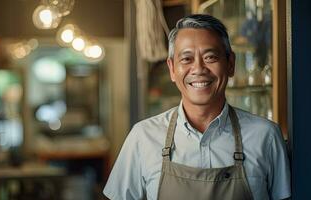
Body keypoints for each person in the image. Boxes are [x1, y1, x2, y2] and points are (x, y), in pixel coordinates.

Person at [103, 14, 291, 200]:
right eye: (186, 59)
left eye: (210, 57)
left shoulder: (266, 136)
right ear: (172, 69)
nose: (199, 68)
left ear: (230, 64)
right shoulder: (143, 136)